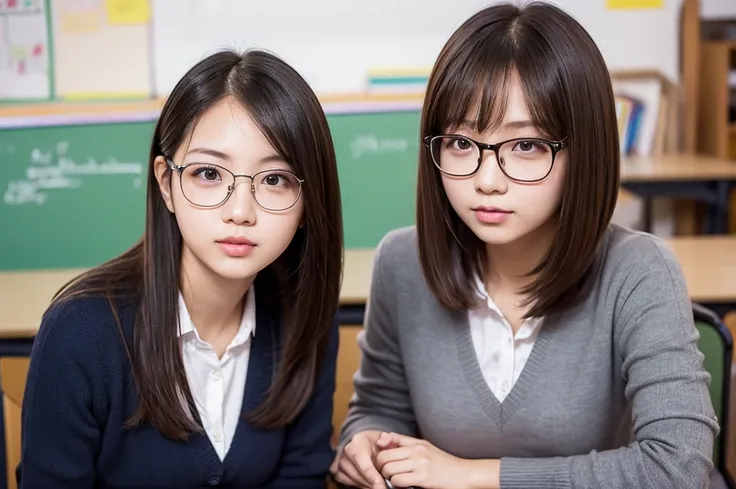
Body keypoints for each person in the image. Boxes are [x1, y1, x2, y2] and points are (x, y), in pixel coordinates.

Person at [332, 3, 718, 489]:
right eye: (461, 144)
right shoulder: (401, 264)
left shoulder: (638, 270)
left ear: (585, 149)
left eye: (526, 145)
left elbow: (678, 468)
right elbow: (379, 408)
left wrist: (474, 475)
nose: (487, 181)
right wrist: (367, 443)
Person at [19, 49, 343, 489]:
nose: (240, 211)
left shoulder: (307, 322)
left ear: (309, 202)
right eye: (209, 173)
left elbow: (300, 478)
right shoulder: (80, 334)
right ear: (166, 183)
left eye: (274, 179)